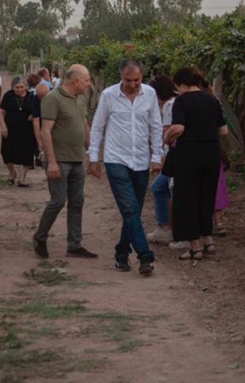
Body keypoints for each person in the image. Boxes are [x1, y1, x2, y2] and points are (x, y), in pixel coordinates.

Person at [89, 59, 162, 276]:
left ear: (142, 77)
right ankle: (145, 256)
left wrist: (157, 155)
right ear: (121, 77)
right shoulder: (109, 96)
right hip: (116, 159)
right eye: (128, 80)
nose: (132, 85)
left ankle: (121, 252)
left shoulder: (149, 94)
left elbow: (156, 127)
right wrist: (94, 157)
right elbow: (97, 127)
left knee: (133, 213)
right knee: (130, 210)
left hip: (141, 160)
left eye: (136, 80)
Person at [33, 64, 97, 260]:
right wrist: (51, 162)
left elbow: (84, 124)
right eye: (86, 80)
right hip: (59, 159)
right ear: (76, 80)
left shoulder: (80, 98)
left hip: (77, 158)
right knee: (58, 200)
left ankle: (74, 244)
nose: (88, 85)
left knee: (77, 201)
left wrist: (90, 151)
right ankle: (40, 237)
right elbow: (45, 131)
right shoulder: (53, 99)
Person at [163, 67, 227, 261]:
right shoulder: (212, 100)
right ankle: (209, 241)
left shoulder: (181, 101)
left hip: (189, 154)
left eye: (177, 87)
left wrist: (166, 138)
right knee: (206, 197)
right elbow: (223, 131)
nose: (177, 91)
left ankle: (195, 248)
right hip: (211, 153)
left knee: (187, 199)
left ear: (182, 84)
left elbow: (178, 127)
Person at [146, 75, 177, 245]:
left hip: (172, 158)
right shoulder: (178, 101)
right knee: (163, 188)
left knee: (160, 188)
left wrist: (160, 160)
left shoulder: (168, 107)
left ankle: (167, 228)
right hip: (177, 157)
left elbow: (167, 136)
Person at [0, 76, 35, 187]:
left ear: (26, 87)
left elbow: (40, 110)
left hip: (27, 130)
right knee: (6, 151)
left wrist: (34, 115)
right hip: (10, 129)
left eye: (21, 87)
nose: (19, 90)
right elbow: (0, 112)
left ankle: (22, 179)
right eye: (17, 87)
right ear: (13, 87)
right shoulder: (8, 96)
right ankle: (12, 172)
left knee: (26, 153)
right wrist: (3, 127)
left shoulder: (31, 97)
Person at [32, 82, 50, 167]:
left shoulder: (54, 99)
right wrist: (39, 142)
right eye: (40, 97)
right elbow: (36, 122)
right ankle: (39, 156)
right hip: (41, 122)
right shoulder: (35, 100)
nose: (42, 100)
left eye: (44, 97)